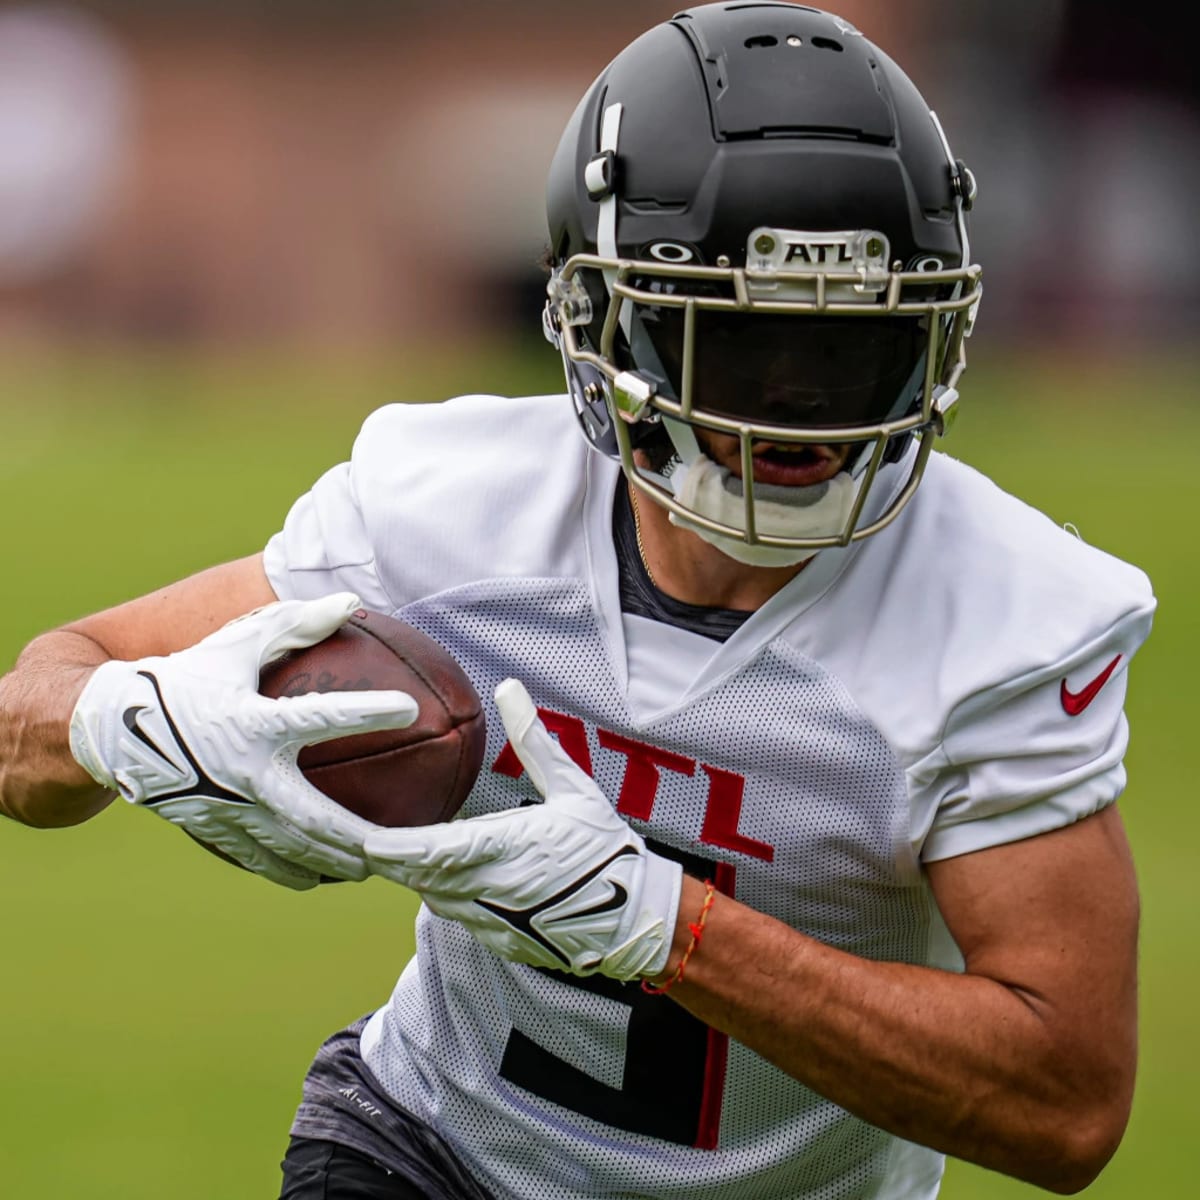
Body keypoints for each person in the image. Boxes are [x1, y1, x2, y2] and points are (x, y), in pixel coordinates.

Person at [0, 5, 1155, 1199]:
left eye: (857, 347)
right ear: (603, 329)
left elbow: (1065, 1106)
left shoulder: (1002, 617)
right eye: (740, 345)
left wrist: (667, 928)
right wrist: (119, 723)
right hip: (432, 1150)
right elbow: (27, 713)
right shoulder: (458, 505)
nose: (800, 410)